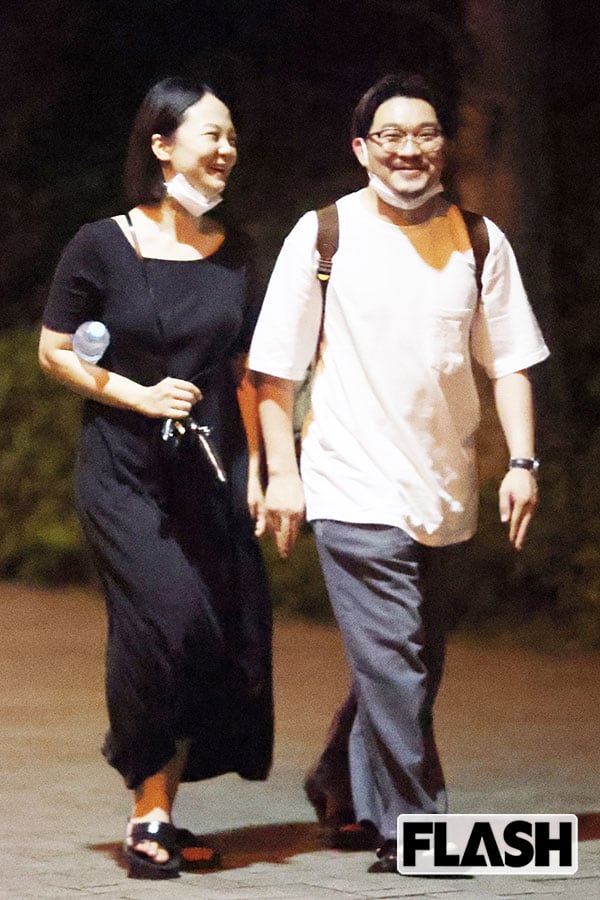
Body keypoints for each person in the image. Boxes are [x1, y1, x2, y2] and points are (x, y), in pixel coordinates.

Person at [249, 72, 549, 874]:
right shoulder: (323, 236)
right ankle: (420, 832)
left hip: (444, 487)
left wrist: (522, 461)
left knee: (411, 662)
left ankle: (337, 780)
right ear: (362, 148)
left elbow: (511, 362)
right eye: (389, 135)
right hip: (349, 480)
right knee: (395, 663)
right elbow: (274, 371)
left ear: (444, 147)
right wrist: (284, 473)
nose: (407, 149)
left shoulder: (478, 242)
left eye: (423, 134)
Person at [39, 77, 272, 880]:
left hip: (210, 470)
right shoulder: (100, 245)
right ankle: (145, 801)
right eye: (212, 133)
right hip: (124, 471)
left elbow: (247, 373)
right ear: (162, 145)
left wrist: (264, 469)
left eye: (232, 135)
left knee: (216, 637)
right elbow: (55, 352)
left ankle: (158, 813)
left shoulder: (237, 252)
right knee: (168, 623)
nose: (227, 149)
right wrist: (138, 395)